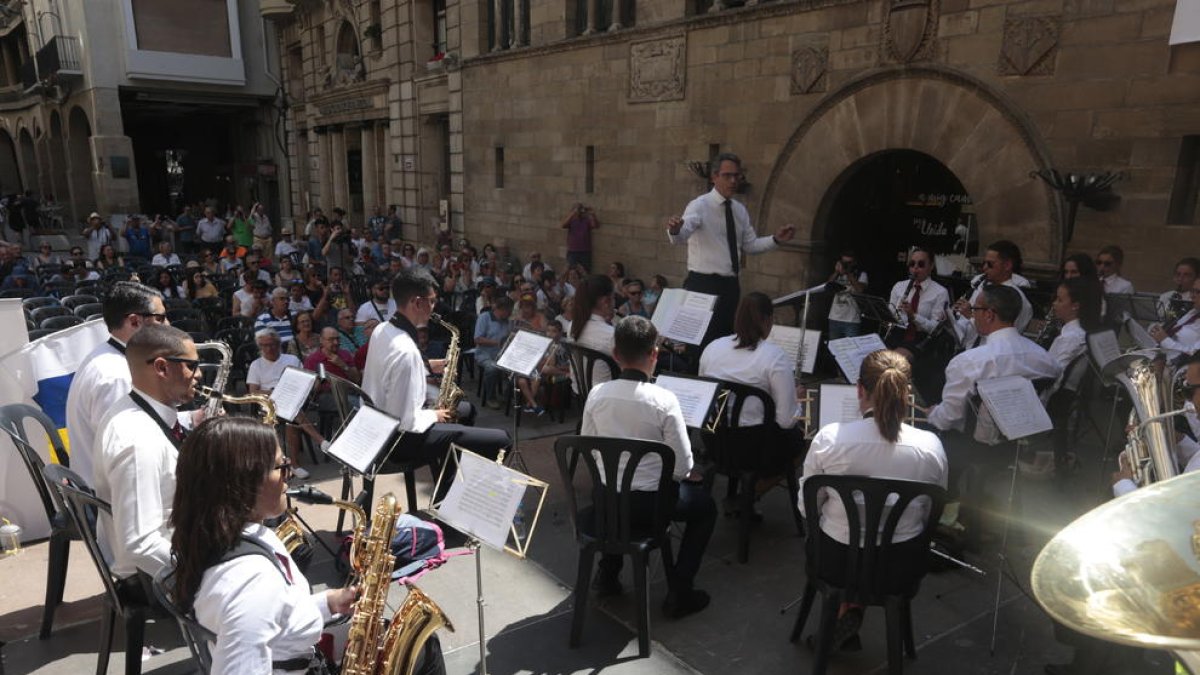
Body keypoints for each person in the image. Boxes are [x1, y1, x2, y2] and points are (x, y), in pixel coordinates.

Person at [171, 417, 360, 674]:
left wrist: (329, 602)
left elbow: (277, 615)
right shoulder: (251, 583)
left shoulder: (223, 535)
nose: (289, 474)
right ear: (244, 480)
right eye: (282, 466)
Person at [799, 349, 948, 651]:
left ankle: (846, 609)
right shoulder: (931, 446)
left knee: (853, 539)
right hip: (900, 565)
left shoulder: (830, 439)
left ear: (860, 390)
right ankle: (851, 611)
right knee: (874, 544)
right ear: (907, 394)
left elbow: (807, 508)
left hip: (836, 561)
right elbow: (931, 512)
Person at [580, 315, 716, 618]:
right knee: (706, 509)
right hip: (650, 506)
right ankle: (679, 590)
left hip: (605, 500)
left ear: (615, 354)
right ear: (654, 354)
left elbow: (588, 447)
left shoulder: (596, 394)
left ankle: (608, 572)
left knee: (616, 496)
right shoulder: (664, 400)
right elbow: (681, 467)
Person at [361, 270, 510, 496]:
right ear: (416, 302)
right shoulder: (406, 351)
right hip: (398, 441)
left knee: (466, 410)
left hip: (378, 424)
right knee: (501, 439)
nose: (434, 308)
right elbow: (405, 421)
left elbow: (390, 372)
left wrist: (428, 366)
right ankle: (453, 501)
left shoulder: (382, 330)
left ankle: (448, 487)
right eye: (431, 302)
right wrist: (435, 415)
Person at [927, 285, 1061, 494]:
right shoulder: (1044, 358)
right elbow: (1052, 378)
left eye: (975, 310)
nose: (972, 315)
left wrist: (931, 414)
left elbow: (948, 418)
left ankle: (946, 497)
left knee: (931, 425)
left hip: (975, 445)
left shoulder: (968, 362)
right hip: (1018, 442)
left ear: (989, 314)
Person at [94, 324, 201, 581]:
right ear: (162, 367)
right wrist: (205, 578)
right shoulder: (138, 441)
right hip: (151, 577)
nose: (198, 376)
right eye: (191, 366)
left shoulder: (131, 407)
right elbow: (140, 545)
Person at [665, 152, 796, 346]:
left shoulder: (739, 209)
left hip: (730, 285)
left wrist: (776, 239)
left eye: (737, 175)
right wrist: (675, 230)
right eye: (727, 176)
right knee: (700, 341)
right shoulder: (700, 205)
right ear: (714, 177)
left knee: (725, 339)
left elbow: (750, 245)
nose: (733, 181)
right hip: (703, 284)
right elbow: (681, 235)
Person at [65, 282, 168, 485]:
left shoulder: (106, 355)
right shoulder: (117, 376)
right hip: (112, 499)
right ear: (134, 321)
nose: (168, 325)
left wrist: (189, 418)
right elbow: (125, 453)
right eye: (160, 318)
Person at [699, 292, 804, 476]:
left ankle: (743, 491)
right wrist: (798, 401)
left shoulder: (713, 347)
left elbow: (703, 399)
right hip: (757, 450)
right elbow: (786, 421)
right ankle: (757, 488)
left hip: (715, 443)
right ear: (768, 320)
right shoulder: (775, 356)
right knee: (802, 437)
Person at [246, 328, 318, 479]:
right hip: (269, 402)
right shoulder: (256, 365)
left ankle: (293, 464)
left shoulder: (291, 359)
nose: (269, 348)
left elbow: (304, 381)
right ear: (260, 347)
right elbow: (253, 392)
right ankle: (318, 442)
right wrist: (273, 392)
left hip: (292, 398)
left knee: (290, 413)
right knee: (291, 416)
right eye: (265, 345)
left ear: (279, 344)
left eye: (272, 344)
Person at [950, 240, 1034, 348]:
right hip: (970, 351)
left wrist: (970, 316)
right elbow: (966, 327)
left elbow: (1003, 335)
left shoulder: (1016, 299)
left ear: (1007, 265)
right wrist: (952, 321)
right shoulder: (981, 289)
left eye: (990, 264)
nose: (984, 267)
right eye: (983, 263)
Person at [886, 248, 950, 357]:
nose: (915, 268)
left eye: (921, 264)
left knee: (895, 358)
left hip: (921, 340)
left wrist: (913, 316)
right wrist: (889, 317)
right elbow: (890, 314)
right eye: (912, 264)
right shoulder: (899, 286)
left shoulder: (940, 292)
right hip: (897, 335)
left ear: (931, 267)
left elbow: (935, 328)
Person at [569, 274, 616, 386]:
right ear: (605, 302)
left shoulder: (572, 325)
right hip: (604, 397)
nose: (615, 302)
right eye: (614, 298)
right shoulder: (611, 334)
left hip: (578, 394)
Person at [474, 296, 514, 408]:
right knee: (492, 368)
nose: (510, 314)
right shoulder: (484, 317)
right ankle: (490, 397)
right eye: (509, 311)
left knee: (518, 369)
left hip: (503, 355)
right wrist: (497, 343)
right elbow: (477, 339)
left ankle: (508, 395)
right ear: (502, 309)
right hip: (485, 354)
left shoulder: (508, 322)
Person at [1149, 276, 1200, 360]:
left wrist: (1165, 340)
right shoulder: (1192, 312)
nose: (1192, 296)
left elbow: (1194, 354)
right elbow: (1173, 331)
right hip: (1165, 360)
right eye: (1192, 291)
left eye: (1197, 292)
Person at [826, 250, 868, 339]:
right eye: (844, 262)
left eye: (848, 263)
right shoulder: (837, 275)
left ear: (854, 262)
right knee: (835, 348)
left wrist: (849, 273)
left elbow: (860, 289)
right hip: (834, 317)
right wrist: (837, 272)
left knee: (851, 349)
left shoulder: (861, 274)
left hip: (851, 320)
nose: (846, 265)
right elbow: (828, 286)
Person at [561, 202, 599, 271]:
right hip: (573, 251)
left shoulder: (586, 220)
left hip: (585, 251)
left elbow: (595, 226)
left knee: (585, 270)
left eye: (580, 208)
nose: (579, 211)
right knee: (571, 269)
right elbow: (563, 225)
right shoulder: (571, 220)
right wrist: (573, 213)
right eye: (578, 208)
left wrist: (592, 214)